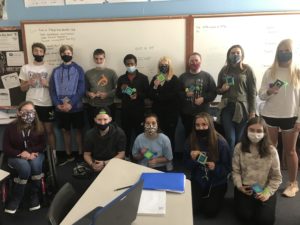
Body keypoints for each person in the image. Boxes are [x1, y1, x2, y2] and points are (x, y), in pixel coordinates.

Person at [259, 39, 300, 197]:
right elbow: (261, 95)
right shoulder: (270, 72)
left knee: (290, 151)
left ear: (292, 51)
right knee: (271, 149)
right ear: (277, 52)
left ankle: (292, 184)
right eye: (281, 50)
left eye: (287, 50)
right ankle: (271, 180)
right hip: (270, 115)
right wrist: (269, 92)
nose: (284, 53)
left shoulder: (297, 71)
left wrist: (299, 120)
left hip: (290, 116)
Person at [232, 117, 282, 225]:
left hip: (265, 188)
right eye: (252, 130)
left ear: (264, 132)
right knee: (244, 216)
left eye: (259, 131)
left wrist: (267, 192)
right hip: (245, 188)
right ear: (246, 131)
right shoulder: (239, 147)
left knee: (266, 221)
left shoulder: (271, 151)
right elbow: (235, 171)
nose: (255, 134)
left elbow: (277, 177)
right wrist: (240, 186)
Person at [183, 112, 231, 217]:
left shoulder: (221, 143)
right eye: (197, 125)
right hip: (198, 179)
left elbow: (228, 168)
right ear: (194, 126)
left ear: (210, 125)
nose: (200, 128)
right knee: (192, 209)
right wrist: (193, 160)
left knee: (210, 212)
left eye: (204, 125)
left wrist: (216, 167)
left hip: (217, 181)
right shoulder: (190, 140)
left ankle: (217, 197)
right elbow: (186, 164)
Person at [3, 101, 46, 214]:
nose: (29, 114)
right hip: (16, 155)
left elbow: (43, 144)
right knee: (25, 167)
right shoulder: (11, 127)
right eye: (26, 111)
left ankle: (34, 196)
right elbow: (6, 148)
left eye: (32, 112)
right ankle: (16, 198)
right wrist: (21, 153)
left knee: (35, 164)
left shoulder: (39, 125)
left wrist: (31, 152)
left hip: (35, 154)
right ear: (18, 113)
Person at [19, 42, 56, 162]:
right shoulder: (26, 68)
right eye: (36, 51)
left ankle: (53, 155)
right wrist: (29, 82)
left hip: (47, 103)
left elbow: (55, 88)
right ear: (32, 52)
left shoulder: (50, 68)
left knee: (49, 130)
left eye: (41, 51)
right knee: (32, 131)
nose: (38, 53)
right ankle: (35, 154)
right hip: (31, 104)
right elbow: (22, 88)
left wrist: (47, 84)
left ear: (44, 53)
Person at [217, 44, 256, 153]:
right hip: (227, 107)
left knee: (239, 139)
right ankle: (229, 165)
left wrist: (252, 111)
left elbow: (252, 92)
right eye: (233, 53)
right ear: (228, 55)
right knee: (230, 138)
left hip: (242, 108)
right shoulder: (224, 70)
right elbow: (217, 89)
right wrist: (222, 89)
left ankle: (237, 164)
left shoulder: (247, 69)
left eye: (238, 53)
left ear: (242, 55)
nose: (235, 55)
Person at [50, 44, 85, 165]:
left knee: (79, 131)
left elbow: (81, 88)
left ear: (72, 54)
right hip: (61, 108)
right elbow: (52, 89)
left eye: (69, 53)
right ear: (61, 55)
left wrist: (71, 103)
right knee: (65, 131)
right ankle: (68, 154)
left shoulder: (79, 69)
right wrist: (57, 104)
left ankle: (81, 154)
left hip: (76, 107)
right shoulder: (55, 71)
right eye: (64, 53)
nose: (67, 55)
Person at [116, 54, 149, 159]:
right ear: (125, 65)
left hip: (139, 112)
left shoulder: (143, 78)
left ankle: (141, 156)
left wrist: (138, 95)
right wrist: (122, 90)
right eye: (128, 64)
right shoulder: (121, 78)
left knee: (140, 135)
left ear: (136, 64)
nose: (130, 65)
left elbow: (148, 94)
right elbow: (118, 95)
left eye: (132, 64)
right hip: (125, 112)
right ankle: (126, 155)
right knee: (126, 135)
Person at [179, 52, 217, 138]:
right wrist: (185, 94)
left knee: (205, 137)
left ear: (201, 61)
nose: (194, 62)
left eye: (196, 60)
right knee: (189, 137)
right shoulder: (182, 77)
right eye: (192, 61)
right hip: (187, 115)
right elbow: (177, 93)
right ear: (189, 63)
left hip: (203, 115)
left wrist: (203, 99)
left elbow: (213, 93)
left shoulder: (207, 76)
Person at [148, 56, 181, 151]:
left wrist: (157, 96)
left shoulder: (174, 79)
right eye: (161, 65)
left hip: (171, 114)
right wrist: (155, 86)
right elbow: (150, 95)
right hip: (157, 113)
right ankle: (157, 157)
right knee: (157, 135)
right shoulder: (156, 78)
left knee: (169, 136)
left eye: (165, 65)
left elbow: (172, 96)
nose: (163, 67)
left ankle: (170, 158)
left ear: (169, 66)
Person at [83, 107, 126, 173]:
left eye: (105, 119)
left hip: (113, 162)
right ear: (95, 120)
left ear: (110, 119)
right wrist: (92, 165)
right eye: (99, 119)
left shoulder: (119, 133)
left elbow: (121, 154)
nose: (102, 123)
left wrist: (104, 163)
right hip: (96, 163)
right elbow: (86, 154)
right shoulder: (89, 134)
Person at [85, 48, 118, 126]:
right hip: (93, 106)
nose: (98, 61)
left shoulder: (112, 72)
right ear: (93, 59)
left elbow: (118, 89)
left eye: (101, 58)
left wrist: (107, 94)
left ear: (104, 58)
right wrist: (88, 94)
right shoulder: (88, 73)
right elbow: (84, 90)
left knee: (110, 129)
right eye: (96, 59)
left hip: (108, 105)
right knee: (93, 130)